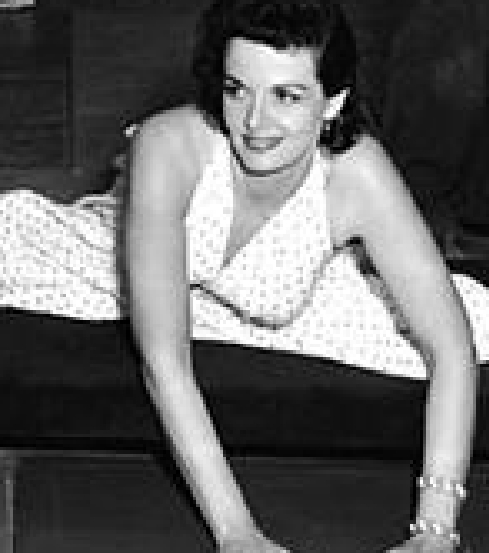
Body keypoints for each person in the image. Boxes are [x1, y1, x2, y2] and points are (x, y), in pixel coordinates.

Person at [124, 0, 484, 551]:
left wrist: (435, 532)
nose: (254, 122)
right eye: (237, 90)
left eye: (286, 96)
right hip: (125, 267)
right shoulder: (167, 147)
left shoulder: (358, 174)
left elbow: (451, 346)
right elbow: (164, 362)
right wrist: (238, 533)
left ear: (333, 101)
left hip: (296, 300)